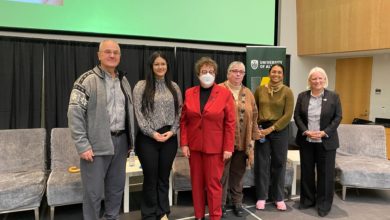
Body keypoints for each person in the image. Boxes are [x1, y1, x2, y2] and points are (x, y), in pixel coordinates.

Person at [67, 39, 135, 220]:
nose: (112, 55)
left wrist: (130, 141)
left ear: (120, 56)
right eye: (107, 52)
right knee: (93, 194)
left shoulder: (124, 81)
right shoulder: (86, 80)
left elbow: (129, 112)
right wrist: (82, 145)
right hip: (96, 146)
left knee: (115, 190)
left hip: (121, 144)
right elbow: (74, 114)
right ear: (99, 55)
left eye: (116, 52)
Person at [180, 57, 235, 220]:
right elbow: (184, 120)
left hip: (215, 148)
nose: (207, 74)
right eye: (204, 71)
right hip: (194, 147)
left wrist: (228, 147)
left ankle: (215, 216)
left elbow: (230, 123)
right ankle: (198, 216)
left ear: (216, 74)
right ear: (198, 74)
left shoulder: (224, 93)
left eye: (211, 71)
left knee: (213, 185)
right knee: (196, 185)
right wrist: (184, 143)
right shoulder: (190, 93)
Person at [133, 51, 182, 220]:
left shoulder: (174, 87)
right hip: (147, 139)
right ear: (151, 67)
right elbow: (138, 113)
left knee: (163, 177)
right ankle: (148, 214)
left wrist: (173, 131)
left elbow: (180, 112)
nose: (160, 67)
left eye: (163, 64)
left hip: (169, 137)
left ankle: (163, 212)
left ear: (167, 66)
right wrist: (152, 133)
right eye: (157, 64)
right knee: (150, 178)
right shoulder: (141, 86)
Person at [294, 67, 342, 217]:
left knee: (326, 175)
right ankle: (308, 200)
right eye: (314, 78)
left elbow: (338, 117)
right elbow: (297, 117)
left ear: (325, 80)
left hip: (326, 142)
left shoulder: (334, 96)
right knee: (307, 172)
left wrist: (324, 132)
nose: (317, 81)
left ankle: (324, 205)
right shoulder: (302, 96)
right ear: (309, 81)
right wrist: (306, 131)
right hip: (306, 141)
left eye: (320, 78)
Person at [219, 61, 259, 217]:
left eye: (241, 72)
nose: (237, 74)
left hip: (243, 142)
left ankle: (237, 202)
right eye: (234, 71)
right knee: (221, 175)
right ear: (228, 73)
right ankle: (220, 204)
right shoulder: (219, 90)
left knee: (238, 175)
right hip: (222, 144)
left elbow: (255, 116)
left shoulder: (248, 93)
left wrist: (252, 140)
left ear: (244, 74)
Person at [253, 63, 294, 211]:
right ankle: (261, 197)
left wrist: (272, 128)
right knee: (261, 163)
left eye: (279, 72)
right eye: (274, 72)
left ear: (283, 75)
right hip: (262, 129)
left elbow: (288, 115)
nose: (276, 75)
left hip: (279, 130)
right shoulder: (260, 90)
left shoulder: (287, 92)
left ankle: (278, 197)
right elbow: (255, 110)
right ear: (269, 74)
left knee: (279, 163)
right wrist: (256, 128)